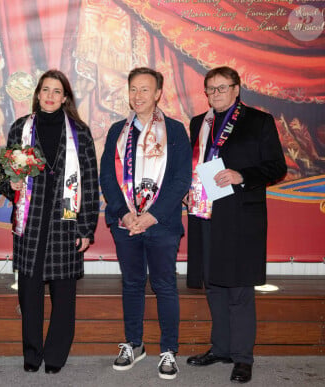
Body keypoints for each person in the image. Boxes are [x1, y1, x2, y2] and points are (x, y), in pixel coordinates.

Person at [185, 66, 287, 384]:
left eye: (221, 88)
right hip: (207, 213)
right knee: (213, 284)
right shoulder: (198, 124)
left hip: (241, 214)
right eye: (210, 89)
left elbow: (276, 167)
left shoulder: (259, 121)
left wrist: (242, 175)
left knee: (239, 288)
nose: (215, 94)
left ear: (236, 89)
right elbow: (196, 164)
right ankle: (221, 348)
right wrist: (189, 192)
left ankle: (243, 358)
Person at [0, 69, 99, 374]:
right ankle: (32, 353)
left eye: (57, 91)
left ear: (65, 96)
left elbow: (90, 181)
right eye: (45, 90)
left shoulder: (79, 132)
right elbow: (5, 173)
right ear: (37, 93)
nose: (50, 96)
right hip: (31, 222)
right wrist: (10, 184)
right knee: (29, 295)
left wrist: (86, 228)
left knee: (64, 298)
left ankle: (55, 355)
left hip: (66, 223)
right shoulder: (20, 128)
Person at [99, 67, 192, 380]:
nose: (137, 96)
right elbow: (107, 178)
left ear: (157, 94)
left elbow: (181, 179)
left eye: (144, 90)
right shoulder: (117, 131)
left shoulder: (175, 131)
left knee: (165, 285)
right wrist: (125, 214)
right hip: (126, 224)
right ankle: (134, 345)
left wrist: (152, 215)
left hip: (161, 223)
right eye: (133, 89)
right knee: (132, 283)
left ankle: (168, 350)